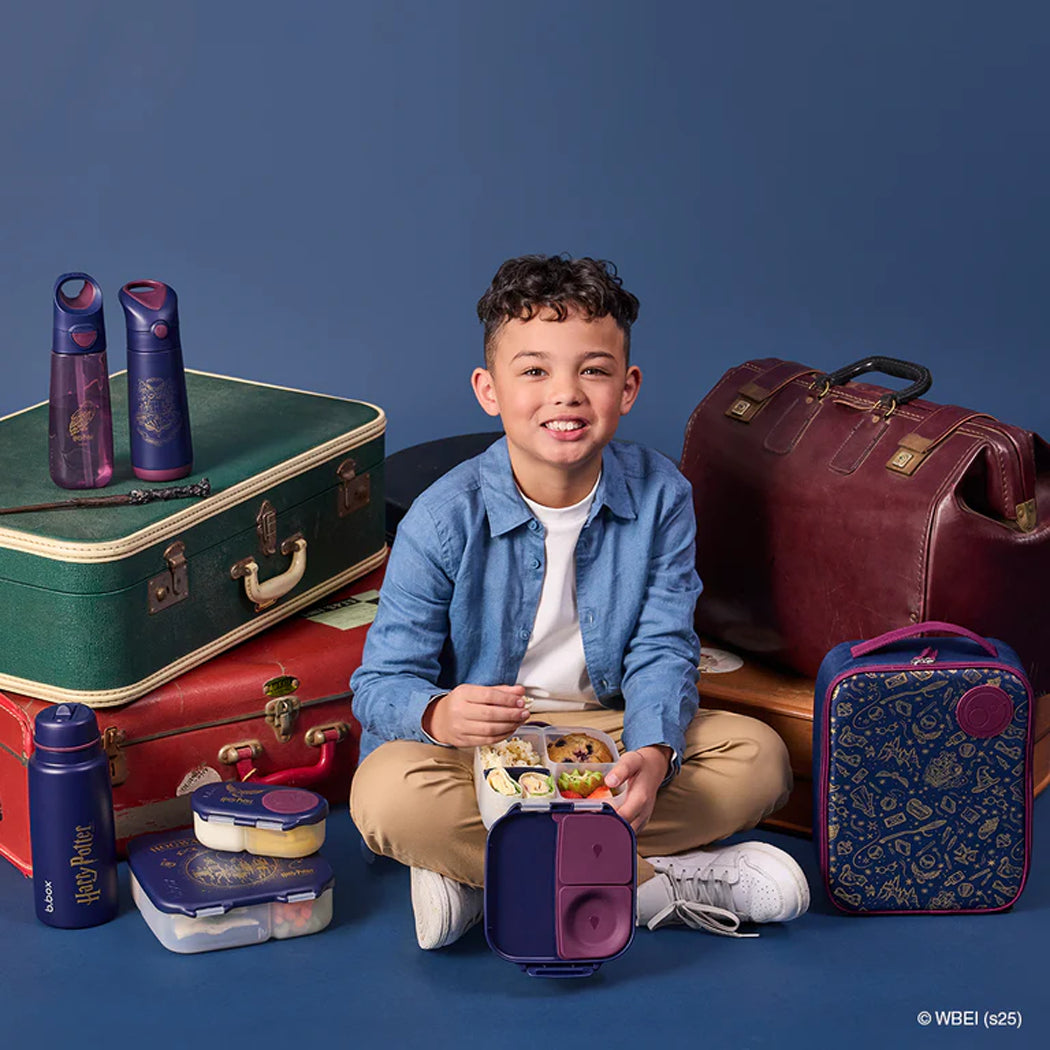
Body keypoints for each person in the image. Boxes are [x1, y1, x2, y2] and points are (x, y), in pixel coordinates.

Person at [350, 254, 809, 949]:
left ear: (627, 389)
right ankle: (661, 885)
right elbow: (379, 684)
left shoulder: (661, 497)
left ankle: (486, 878)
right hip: (482, 753)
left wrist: (653, 755)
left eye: (592, 370)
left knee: (760, 759)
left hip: (605, 736)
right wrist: (440, 713)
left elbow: (663, 648)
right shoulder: (442, 518)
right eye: (534, 371)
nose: (565, 394)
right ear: (489, 390)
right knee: (385, 796)